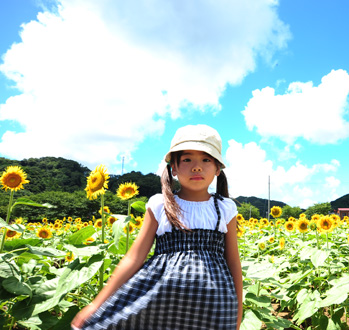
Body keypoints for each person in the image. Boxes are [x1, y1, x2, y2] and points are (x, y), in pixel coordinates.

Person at [71, 124, 243, 330]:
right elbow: (134, 257)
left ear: (217, 169)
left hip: (215, 306)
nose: (197, 167)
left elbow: (233, 261)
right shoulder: (160, 204)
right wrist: (96, 304)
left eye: (206, 159)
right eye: (187, 159)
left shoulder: (225, 208)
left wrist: (238, 312)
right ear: (174, 168)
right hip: (161, 304)